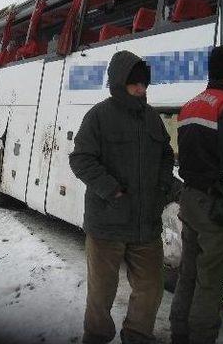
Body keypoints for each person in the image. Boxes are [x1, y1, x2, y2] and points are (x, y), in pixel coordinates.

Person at [69, 50, 174, 344]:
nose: (141, 89)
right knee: (101, 292)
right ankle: (97, 336)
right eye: (134, 83)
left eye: (144, 84)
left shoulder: (152, 118)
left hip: (145, 224)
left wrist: (164, 186)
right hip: (107, 224)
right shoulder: (99, 116)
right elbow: (81, 159)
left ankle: (138, 335)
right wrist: (111, 189)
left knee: (151, 288)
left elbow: (166, 156)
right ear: (119, 82)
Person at [169, 45, 223, 344]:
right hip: (216, 207)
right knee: (211, 281)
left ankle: (179, 330)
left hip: (190, 199)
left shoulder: (191, 104)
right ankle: (201, 337)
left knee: (188, 274)